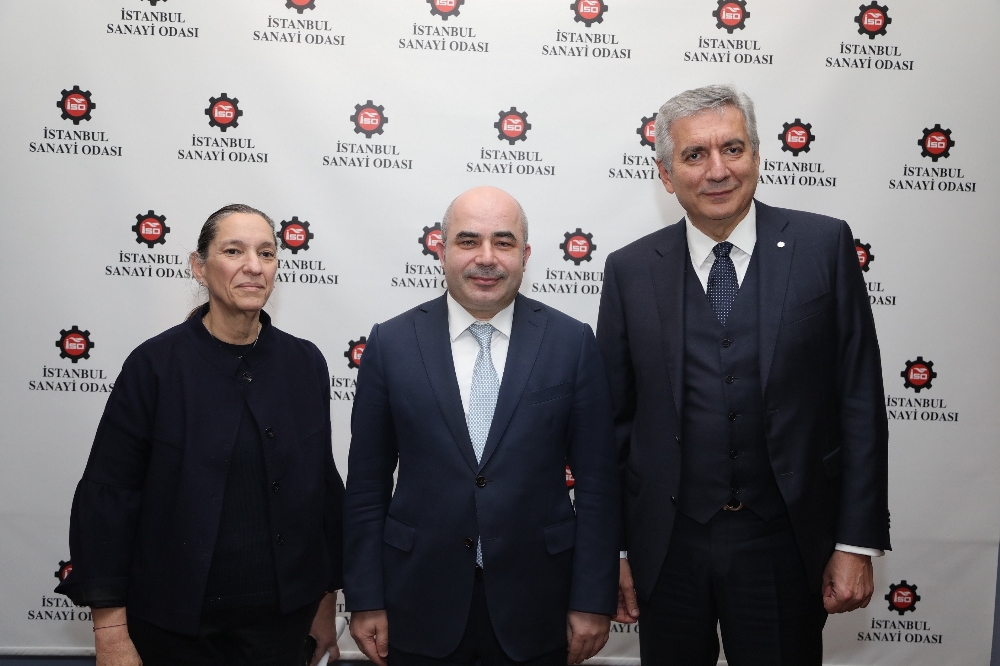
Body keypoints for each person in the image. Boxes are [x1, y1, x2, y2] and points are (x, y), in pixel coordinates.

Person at [596, 85, 890, 664]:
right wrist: (617, 550)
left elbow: (859, 399)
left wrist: (856, 541)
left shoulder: (823, 246)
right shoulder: (629, 270)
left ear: (756, 155)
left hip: (785, 543)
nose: (717, 170)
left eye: (732, 148)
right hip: (667, 547)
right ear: (666, 174)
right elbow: (613, 425)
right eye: (694, 155)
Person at [56, 204, 344, 666]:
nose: (254, 266)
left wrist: (325, 602)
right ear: (199, 266)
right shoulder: (154, 366)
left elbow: (320, 489)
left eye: (266, 253)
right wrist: (110, 632)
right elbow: (109, 497)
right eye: (233, 251)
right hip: (174, 629)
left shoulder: (304, 363)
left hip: (282, 627)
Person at [343, 186, 620, 666]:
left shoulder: (571, 343)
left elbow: (598, 484)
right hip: (417, 601)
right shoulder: (390, 344)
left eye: (504, 242)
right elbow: (367, 485)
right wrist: (365, 597)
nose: (486, 258)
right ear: (441, 250)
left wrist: (593, 599)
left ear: (525, 255)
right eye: (468, 241)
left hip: (539, 603)